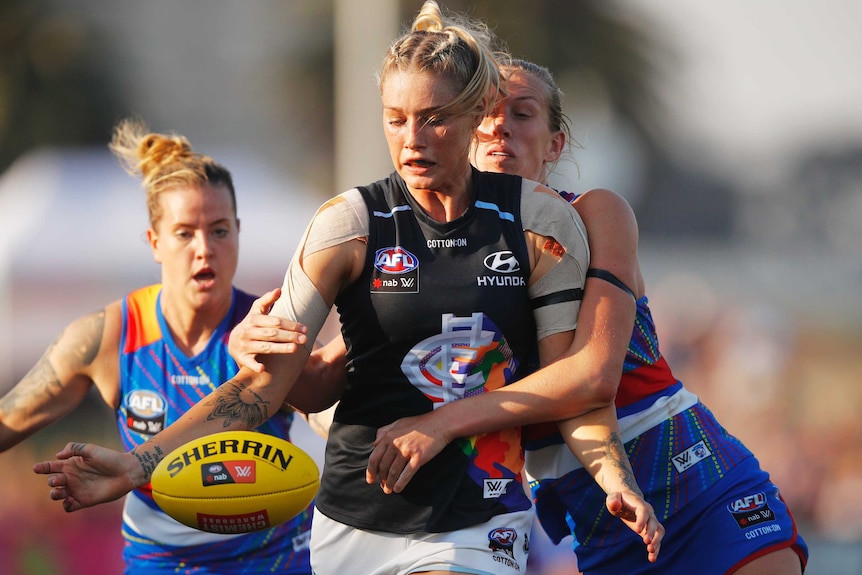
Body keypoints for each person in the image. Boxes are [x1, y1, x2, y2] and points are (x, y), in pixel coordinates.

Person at [33, 3, 662, 574]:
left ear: (476, 117)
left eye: (434, 119)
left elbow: (570, 388)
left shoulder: (542, 225)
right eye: (396, 120)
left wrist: (614, 476)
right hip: (351, 521)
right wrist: (140, 463)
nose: (411, 140)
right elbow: (267, 386)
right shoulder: (348, 224)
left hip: (480, 520)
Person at [232, 58, 810, 574]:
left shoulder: (595, 214)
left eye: (523, 113)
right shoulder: (432, 264)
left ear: (555, 144)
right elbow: (330, 384)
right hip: (600, 518)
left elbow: (592, 379)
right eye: (484, 113)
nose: (500, 126)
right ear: (459, 134)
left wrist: (439, 423)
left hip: (694, 478)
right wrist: (262, 359)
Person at [0, 118, 313, 574]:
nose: (204, 249)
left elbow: (338, 414)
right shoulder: (106, 338)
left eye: (220, 230)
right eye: (185, 233)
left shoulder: (271, 329)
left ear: (239, 233)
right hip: (160, 564)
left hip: (273, 562)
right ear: (154, 242)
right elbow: (8, 420)